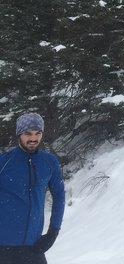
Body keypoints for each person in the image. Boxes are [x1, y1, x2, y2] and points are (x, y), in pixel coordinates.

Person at [0, 112, 65, 264]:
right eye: (28, 133)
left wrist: (53, 232)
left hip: (33, 247)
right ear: (19, 134)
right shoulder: (4, 163)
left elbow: (59, 194)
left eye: (38, 133)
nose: (33, 138)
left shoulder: (49, 162)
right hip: (3, 247)